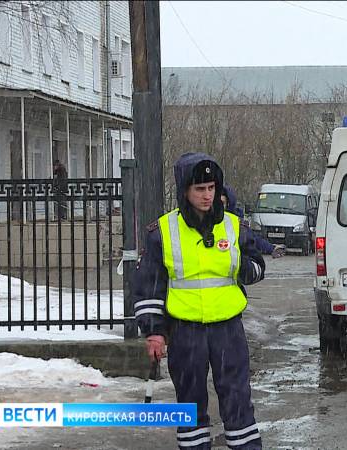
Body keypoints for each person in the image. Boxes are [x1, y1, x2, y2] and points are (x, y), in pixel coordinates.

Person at [132, 153, 265, 450]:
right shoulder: (163, 232)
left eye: (211, 188)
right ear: (185, 192)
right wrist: (154, 332)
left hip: (228, 330)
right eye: (199, 189)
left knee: (237, 400)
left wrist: (245, 268)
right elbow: (149, 288)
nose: (207, 196)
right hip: (185, 332)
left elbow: (257, 267)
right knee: (191, 405)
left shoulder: (233, 226)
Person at [221, 184, 285, 259]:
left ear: (228, 204)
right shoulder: (206, 221)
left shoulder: (237, 224)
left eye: (221, 203)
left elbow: (253, 239)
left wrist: (272, 248)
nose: (218, 206)